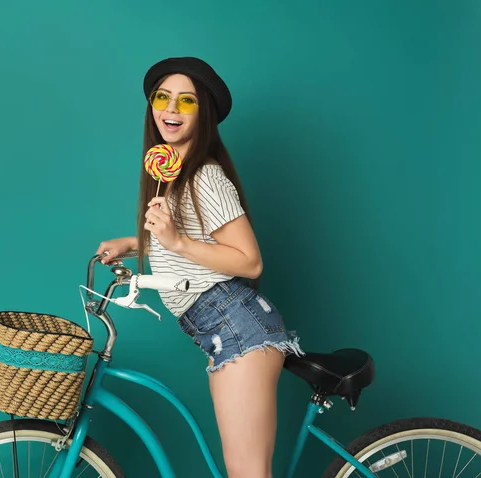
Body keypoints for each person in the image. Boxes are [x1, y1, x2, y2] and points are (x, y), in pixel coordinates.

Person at [96, 56, 304, 478]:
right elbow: (196, 241)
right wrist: (138, 242)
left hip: (237, 325)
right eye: (163, 97)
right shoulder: (171, 174)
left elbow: (249, 260)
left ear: (203, 112)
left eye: (186, 101)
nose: (171, 110)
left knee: (247, 473)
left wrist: (175, 239)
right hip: (217, 328)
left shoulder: (205, 176)